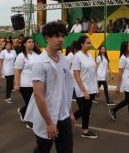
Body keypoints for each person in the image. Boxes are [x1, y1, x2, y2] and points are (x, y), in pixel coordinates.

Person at [24, 21, 75, 153]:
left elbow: (65, 89)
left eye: (62, 36)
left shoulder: (63, 59)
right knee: (43, 149)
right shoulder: (40, 63)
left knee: (66, 150)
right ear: (47, 38)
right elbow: (38, 95)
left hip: (63, 116)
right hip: (47, 117)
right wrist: (49, 122)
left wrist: (69, 112)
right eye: (57, 36)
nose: (61, 39)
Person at [109, 41, 129, 127]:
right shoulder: (123, 58)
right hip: (127, 81)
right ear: (125, 48)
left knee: (128, 100)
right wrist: (118, 86)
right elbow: (120, 73)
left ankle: (113, 110)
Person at [72, 35, 98, 139]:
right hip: (82, 88)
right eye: (87, 43)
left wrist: (96, 87)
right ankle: (64, 125)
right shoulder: (77, 56)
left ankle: (85, 131)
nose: (90, 44)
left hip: (91, 88)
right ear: (81, 44)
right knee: (83, 110)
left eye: (90, 42)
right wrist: (84, 91)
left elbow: (92, 73)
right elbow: (76, 75)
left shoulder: (90, 55)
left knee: (87, 111)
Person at [14, 37, 41, 127]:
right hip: (25, 84)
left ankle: (22, 111)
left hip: (36, 83)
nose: (32, 43)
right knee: (31, 103)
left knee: (34, 103)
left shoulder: (37, 54)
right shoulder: (21, 56)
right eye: (29, 42)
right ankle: (30, 122)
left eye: (33, 42)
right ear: (24, 44)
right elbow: (17, 71)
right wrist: (17, 84)